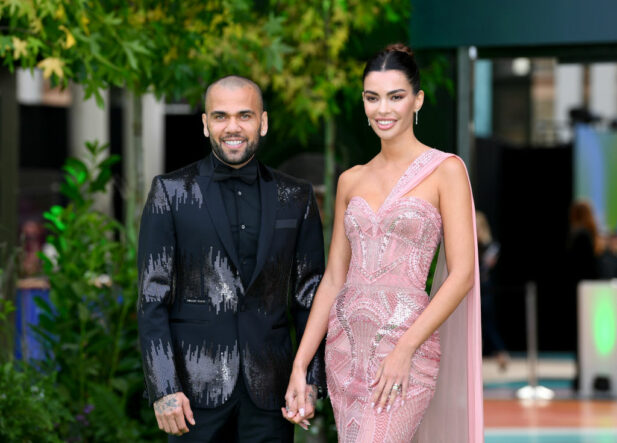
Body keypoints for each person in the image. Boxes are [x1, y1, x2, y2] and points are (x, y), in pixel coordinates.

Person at [283, 44, 483, 442]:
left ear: (417, 100)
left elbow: (461, 275)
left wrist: (405, 348)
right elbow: (334, 279)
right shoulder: (350, 180)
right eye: (373, 98)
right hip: (345, 351)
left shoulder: (446, 171)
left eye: (396, 96)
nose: (383, 109)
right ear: (363, 102)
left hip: (406, 348)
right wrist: (301, 364)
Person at [137, 75, 326, 441]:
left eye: (245, 115)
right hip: (192, 397)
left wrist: (311, 379)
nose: (233, 127)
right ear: (206, 125)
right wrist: (163, 387)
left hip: (272, 393)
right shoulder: (170, 193)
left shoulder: (296, 197)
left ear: (263, 122)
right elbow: (151, 299)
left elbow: (311, 298)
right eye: (220, 116)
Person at [476, 211, 509, 371]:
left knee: (488, 324)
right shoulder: (470, 244)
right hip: (472, 289)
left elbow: (485, 267)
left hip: (485, 290)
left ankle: (501, 353)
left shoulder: (491, 246)